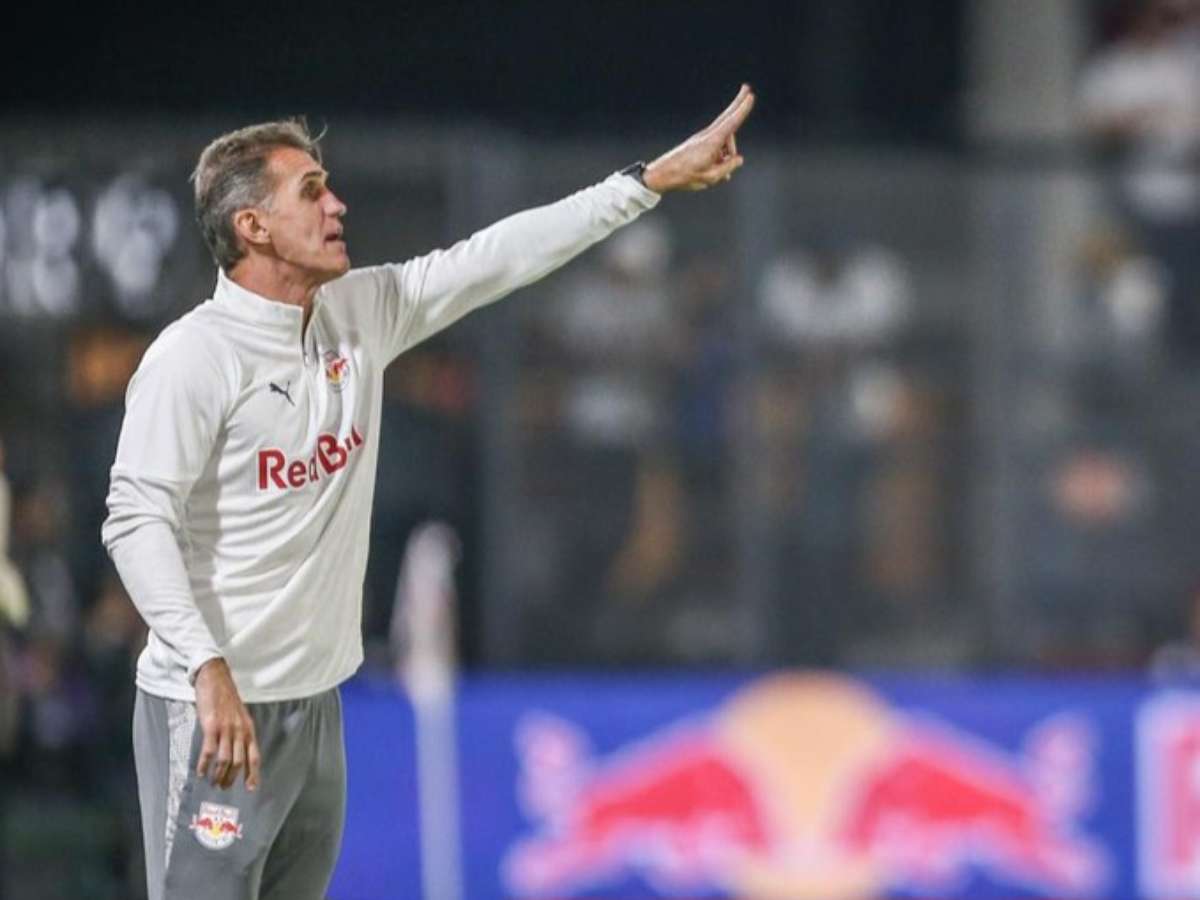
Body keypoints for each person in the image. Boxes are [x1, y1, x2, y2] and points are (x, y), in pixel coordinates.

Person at [101, 85, 756, 900]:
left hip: (313, 708)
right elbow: (135, 519)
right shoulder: (194, 358)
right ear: (253, 227)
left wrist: (646, 182)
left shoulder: (358, 314)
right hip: (213, 710)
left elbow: (495, 258)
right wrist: (206, 671)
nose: (337, 204)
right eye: (311, 191)